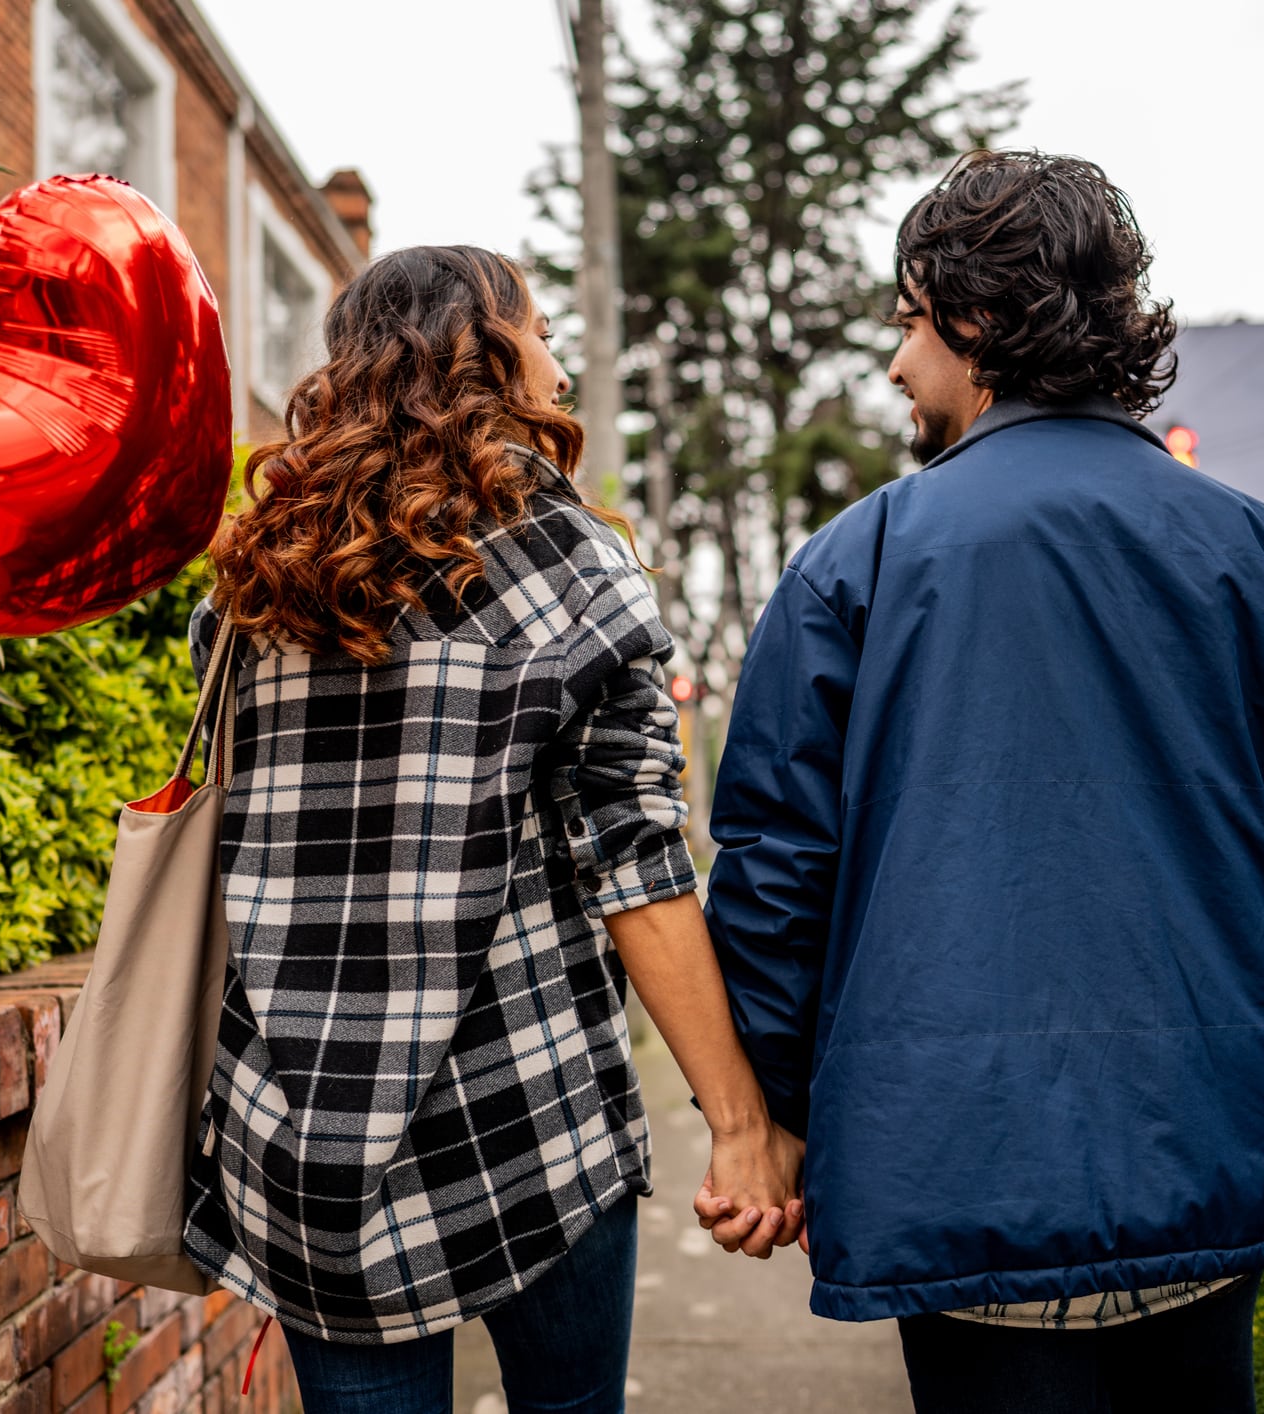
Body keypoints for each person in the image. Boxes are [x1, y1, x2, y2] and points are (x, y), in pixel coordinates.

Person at [695, 150, 1264, 1413]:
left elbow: (777, 875)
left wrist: (774, 1121)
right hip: (1213, 1149)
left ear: (983, 319)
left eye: (907, 324)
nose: (896, 364)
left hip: (953, 1171)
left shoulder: (855, 566)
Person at [184, 245, 804, 1414]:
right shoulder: (566, 562)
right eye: (545, 329)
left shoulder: (252, 582)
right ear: (494, 353)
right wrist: (740, 1123)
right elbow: (637, 860)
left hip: (302, 1125)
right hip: (527, 1109)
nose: (560, 364)